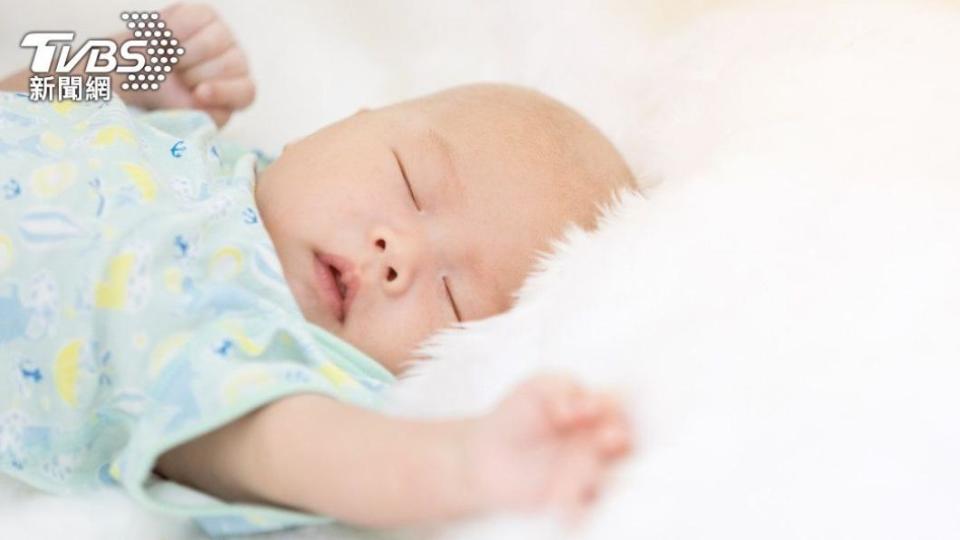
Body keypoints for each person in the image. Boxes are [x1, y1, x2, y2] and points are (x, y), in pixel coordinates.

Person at [0, 3, 636, 536]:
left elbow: (300, 452)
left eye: (454, 299)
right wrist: (126, 66)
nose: (398, 254)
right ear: (342, 126)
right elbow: (20, 91)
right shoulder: (196, 148)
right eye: (411, 184)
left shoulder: (241, 348)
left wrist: (466, 460)